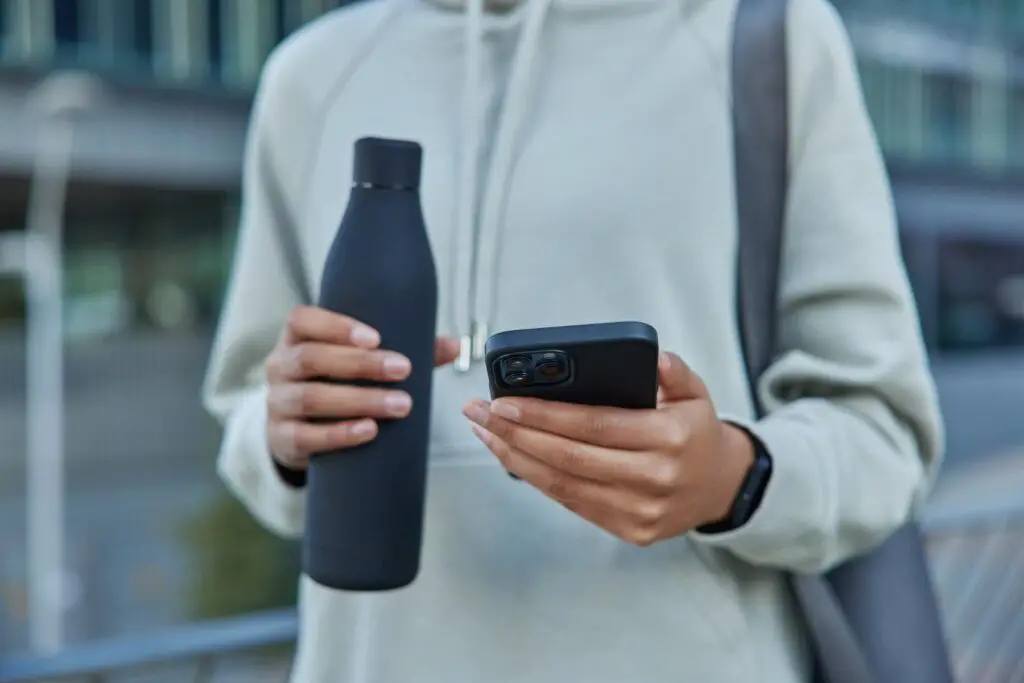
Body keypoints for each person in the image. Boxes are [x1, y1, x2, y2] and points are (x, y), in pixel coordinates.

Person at [202, 0, 944, 681]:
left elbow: (885, 431)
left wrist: (729, 476)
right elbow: (246, 408)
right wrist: (282, 431)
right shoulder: (312, 74)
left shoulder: (763, 35)